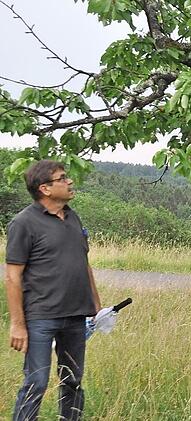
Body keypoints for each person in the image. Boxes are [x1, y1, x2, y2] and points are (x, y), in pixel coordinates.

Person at [5, 160, 102, 421]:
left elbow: (84, 263)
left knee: (72, 380)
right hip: (41, 317)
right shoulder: (23, 223)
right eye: (63, 178)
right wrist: (17, 324)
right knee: (36, 382)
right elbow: (13, 277)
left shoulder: (73, 217)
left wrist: (96, 306)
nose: (70, 181)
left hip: (76, 316)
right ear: (45, 189)